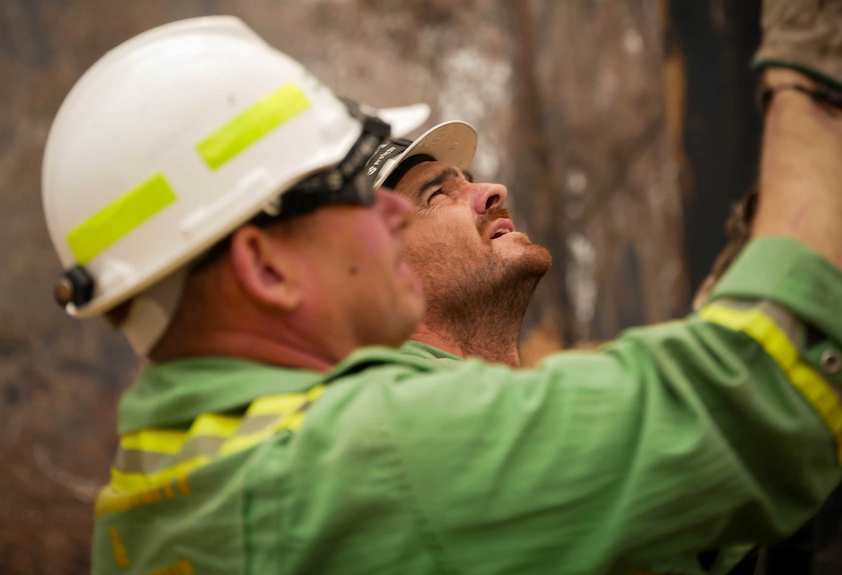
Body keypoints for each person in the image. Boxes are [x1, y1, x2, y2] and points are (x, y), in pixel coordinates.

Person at [41, 10, 842, 575]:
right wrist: (815, 81)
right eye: (359, 191)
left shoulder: (166, 483)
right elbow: (757, 401)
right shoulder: (363, 460)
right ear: (265, 267)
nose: (387, 214)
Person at [365, 122, 552, 367]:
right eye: (438, 194)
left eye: (468, 181)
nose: (496, 190)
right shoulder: (411, 396)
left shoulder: (494, 397)